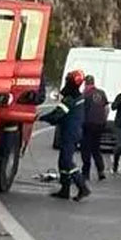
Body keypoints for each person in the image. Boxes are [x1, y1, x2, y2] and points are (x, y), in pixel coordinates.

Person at [40, 70, 90, 201]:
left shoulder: (71, 99)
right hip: (71, 132)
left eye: (68, 80)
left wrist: (40, 117)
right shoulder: (77, 97)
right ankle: (65, 190)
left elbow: (57, 115)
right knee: (63, 162)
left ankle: (82, 187)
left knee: (67, 162)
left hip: (70, 133)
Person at [81, 75, 109, 181]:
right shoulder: (101, 93)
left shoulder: (85, 94)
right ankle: (101, 171)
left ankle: (86, 173)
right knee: (96, 148)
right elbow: (106, 108)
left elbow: (81, 110)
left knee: (86, 149)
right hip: (99, 124)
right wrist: (104, 120)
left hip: (88, 124)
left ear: (85, 83)